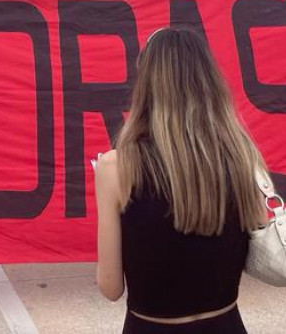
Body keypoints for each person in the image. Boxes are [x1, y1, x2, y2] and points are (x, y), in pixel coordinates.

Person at [94, 26, 265, 334]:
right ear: (208, 81)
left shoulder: (116, 167)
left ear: (146, 85)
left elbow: (110, 287)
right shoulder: (241, 154)